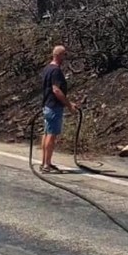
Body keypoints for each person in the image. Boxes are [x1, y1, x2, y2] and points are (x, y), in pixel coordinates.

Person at [39, 45, 77, 174]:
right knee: (51, 134)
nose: (65, 58)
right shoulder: (55, 71)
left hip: (47, 105)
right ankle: (46, 165)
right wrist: (69, 105)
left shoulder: (47, 69)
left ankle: (45, 162)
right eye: (64, 55)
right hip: (54, 106)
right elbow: (56, 90)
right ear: (58, 55)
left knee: (46, 133)